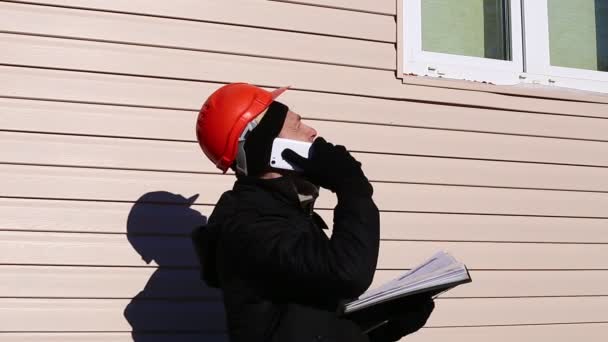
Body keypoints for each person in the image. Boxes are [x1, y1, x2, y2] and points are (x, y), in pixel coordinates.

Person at [191, 83, 434, 342]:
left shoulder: (286, 212)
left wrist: (390, 326)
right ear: (265, 147)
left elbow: (314, 325)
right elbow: (348, 275)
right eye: (296, 125)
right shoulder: (250, 225)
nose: (312, 132)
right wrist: (350, 186)